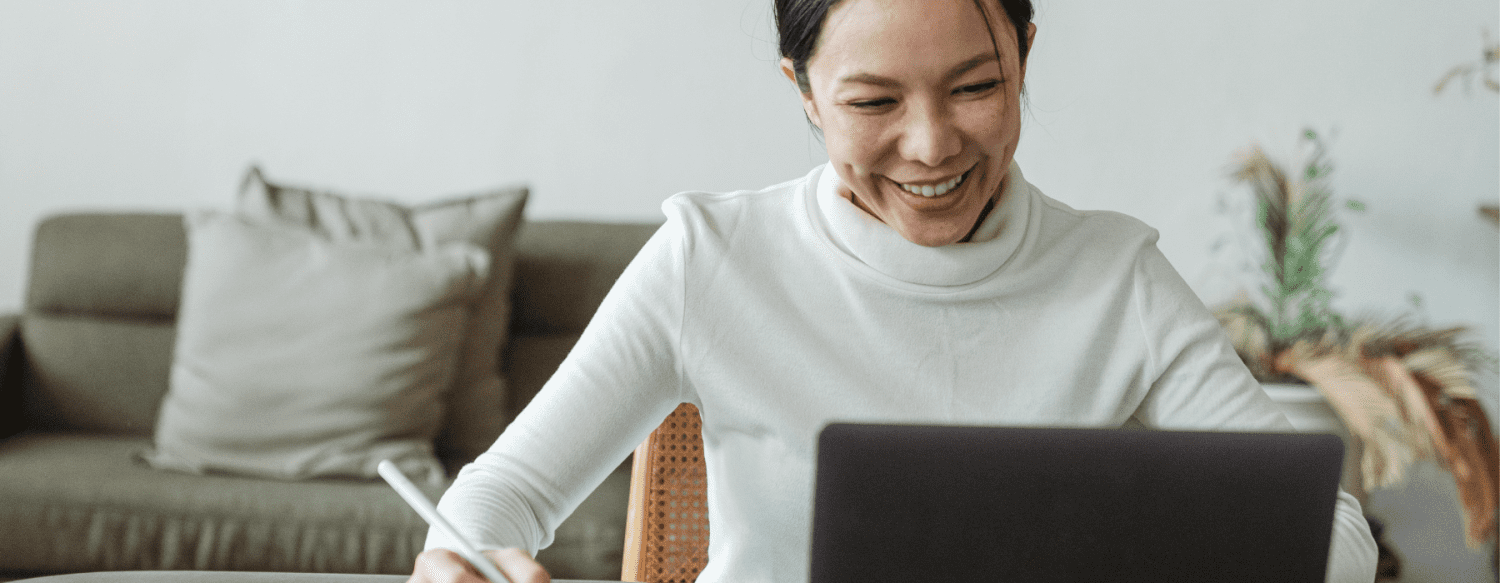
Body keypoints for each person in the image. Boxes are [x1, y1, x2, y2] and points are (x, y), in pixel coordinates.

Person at [407, 0, 1379, 581]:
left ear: (1025, 56)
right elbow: (507, 493)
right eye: (874, 101)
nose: (931, 145)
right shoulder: (712, 257)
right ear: (803, 91)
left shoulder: (1116, 277)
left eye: (975, 88)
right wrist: (463, 559)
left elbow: (1330, 534)